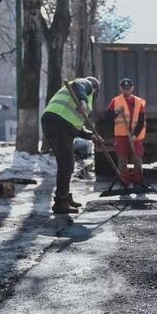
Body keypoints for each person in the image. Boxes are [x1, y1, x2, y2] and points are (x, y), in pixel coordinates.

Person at [41, 76, 101, 214]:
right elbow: (78, 84)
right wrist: (83, 102)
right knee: (67, 164)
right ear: (96, 89)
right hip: (59, 123)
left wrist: (91, 136)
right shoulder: (87, 84)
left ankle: (65, 197)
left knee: (65, 164)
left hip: (54, 122)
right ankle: (61, 202)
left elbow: (75, 126)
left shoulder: (71, 97)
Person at [105, 78, 146, 186]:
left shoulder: (138, 102)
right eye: (124, 89)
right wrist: (116, 113)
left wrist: (134, 135)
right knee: (122, 159)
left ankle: (138, 181)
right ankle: (124, 182)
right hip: (121, 135)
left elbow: (141, 121)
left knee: (137, 158)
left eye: (128, 88)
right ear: (120, 88)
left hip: (135, 136)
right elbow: (108, 118)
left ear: (132, 88)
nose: (126, 91)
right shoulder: (115, 101)